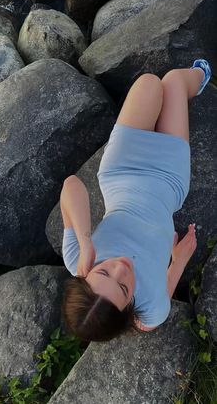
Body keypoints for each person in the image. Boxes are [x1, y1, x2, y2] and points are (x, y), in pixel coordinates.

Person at [60, 59, 212, 342]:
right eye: (123, 288)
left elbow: (71, 186)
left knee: (149, 84)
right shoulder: (152, 308)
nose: (121, 267)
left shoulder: (78, 259)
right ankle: (201, 76)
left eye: (104, 271)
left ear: (84, 276)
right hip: (168, 179)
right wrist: (176, 263)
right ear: (130, 307)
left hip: (121, 169)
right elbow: (150, 320)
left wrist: (85, 243)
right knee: (175, 82)